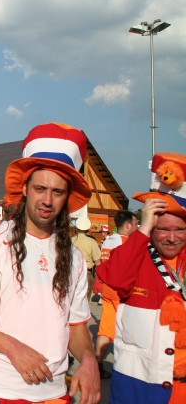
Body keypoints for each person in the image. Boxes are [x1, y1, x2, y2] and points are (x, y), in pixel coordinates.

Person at [0, 122, 100, 404]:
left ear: (67, 198)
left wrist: (88, 358)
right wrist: (13, 347)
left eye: (57, 192)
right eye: (40, 188)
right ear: (25, 189)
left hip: (55, 393)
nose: (47, 200)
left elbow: (76, 324)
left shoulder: (75, 257)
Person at [96, 152, 186, 404]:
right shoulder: (135, 255)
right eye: (162, 229)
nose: (171, 237)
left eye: (180, 229)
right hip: (138, 387)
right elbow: (114, 277)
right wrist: (143, 230)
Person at [94, 210, 138, 379]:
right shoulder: (126, 242)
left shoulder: (108, 240)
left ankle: (97, 363)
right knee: (126, 331)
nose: (136, 227)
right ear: (128, 225)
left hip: (107, 289)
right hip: (121, 292)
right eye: (135, 224)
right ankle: (126, 369)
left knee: (106, 329)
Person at [71, 216, 102, 300]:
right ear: (88, 229)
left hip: (71, 272)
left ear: (76, 228)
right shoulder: (92, 242)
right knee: (84, 302)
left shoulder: (70, 240)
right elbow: (98, 262)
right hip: (86, 273)